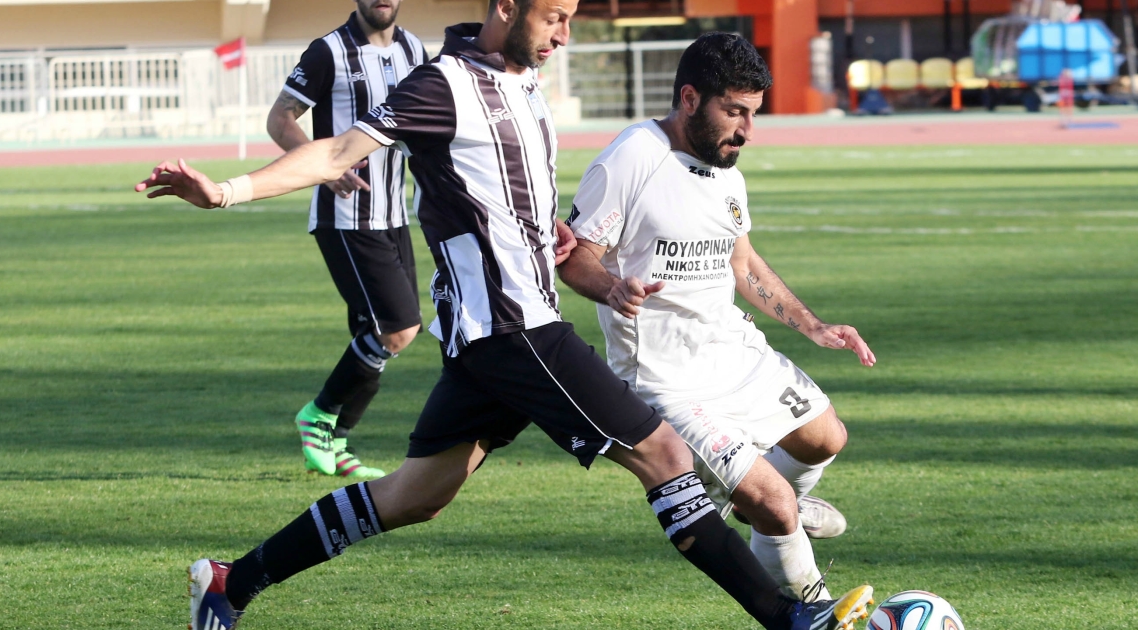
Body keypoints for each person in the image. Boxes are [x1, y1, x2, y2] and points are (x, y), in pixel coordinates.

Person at [136, 1, 873, 628]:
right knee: (665, 457)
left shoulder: (524, 82)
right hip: (513, 328)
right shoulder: (444, 84)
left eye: (570, 18)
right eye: (553, 16)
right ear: (506, 7)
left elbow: (500, 192)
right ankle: (790, 618)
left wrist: (548, 234)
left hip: (495, 332)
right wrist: (225, 192)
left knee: (415, 495)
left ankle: (232, 583)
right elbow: (336, 152)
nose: (564, 34)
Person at [557, 33, 877, 602]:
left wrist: (812, 325)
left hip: (732, 352)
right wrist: (612, 288)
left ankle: (766, 505)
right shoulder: (633, 157)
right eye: (734, 112)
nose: (747, 130)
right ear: (689, 99)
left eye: (753, 114)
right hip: (667, 379)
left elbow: (742, 263)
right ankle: (814, 610)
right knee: (775, 504)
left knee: (825, 438)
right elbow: (575, 254)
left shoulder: (726, 168)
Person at [264, 0, 429, 479]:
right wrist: (324, 166)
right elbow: (280, 118)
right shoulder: (329, 51)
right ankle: (318, 415)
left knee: (378, 337)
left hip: (394, 214)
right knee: (399, 328)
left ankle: (335, 442)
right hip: (346, 217)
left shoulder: (414, 49)